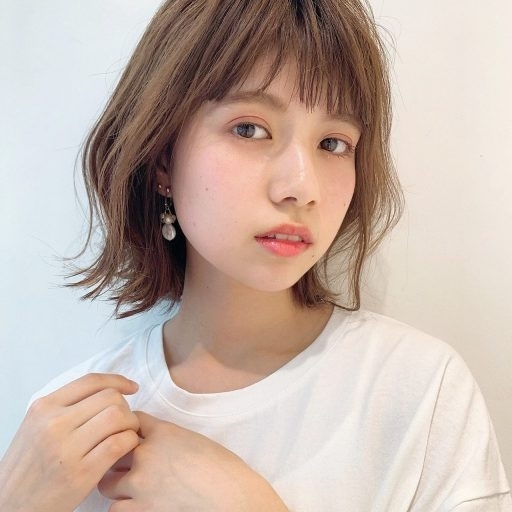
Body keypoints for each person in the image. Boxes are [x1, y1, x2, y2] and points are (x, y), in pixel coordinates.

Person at [1, 0, 510, 510]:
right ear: (162, 160)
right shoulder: (67, 433)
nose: (302, 187)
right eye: (249, 129)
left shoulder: (419, 392)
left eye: (333, 143)